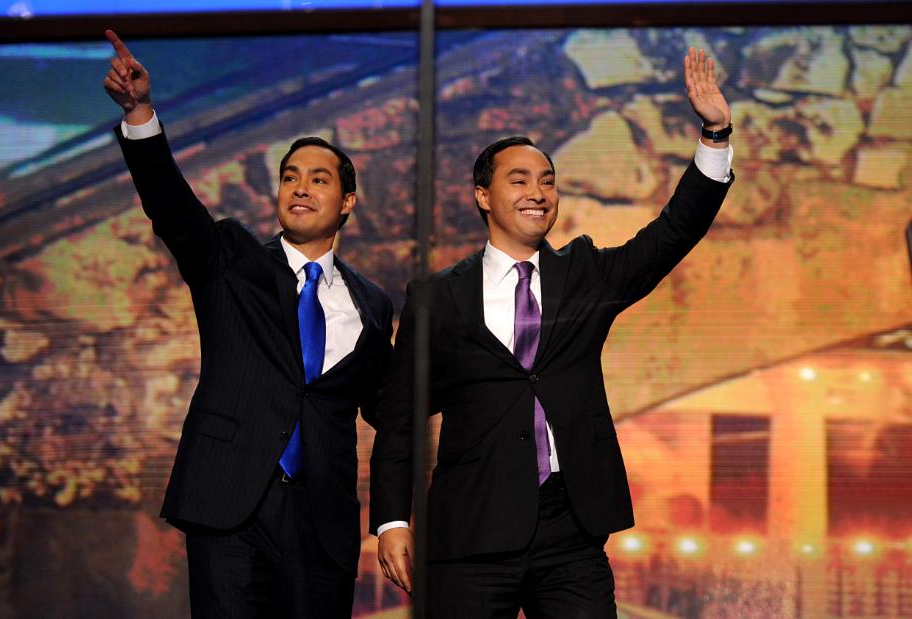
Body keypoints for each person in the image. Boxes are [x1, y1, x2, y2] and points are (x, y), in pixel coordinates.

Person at [370, 48, 734, 618]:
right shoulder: (436, 297)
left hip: (571, 527)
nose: (538, 193)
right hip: (470, 527)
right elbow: (401, 417)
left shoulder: (586, 274)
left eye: (547, 181)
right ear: (483, 196)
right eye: (519, 181)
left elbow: (673, 232)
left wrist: (714, 133)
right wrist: (392, 519)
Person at [102, 30, 394, 618]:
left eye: (318, 178)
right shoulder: (232, 260)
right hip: (230, 506)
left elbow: (387, 410)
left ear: (347, 202)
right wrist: (139, 115)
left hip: (322, 523)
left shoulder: (373, 303)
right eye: (290, 176)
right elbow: (173, 210)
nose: (300, 187)